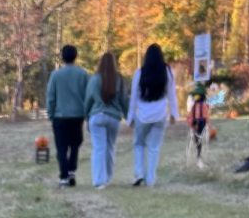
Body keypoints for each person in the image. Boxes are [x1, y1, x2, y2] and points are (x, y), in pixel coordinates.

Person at [126, 43, 179, 186]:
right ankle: (151, 179)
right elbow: (172, 94)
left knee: (139, 144)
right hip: (160, 113)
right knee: (154, 147)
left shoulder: (140, 72)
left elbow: (134, 97)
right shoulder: (167, 71)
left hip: (142, 114)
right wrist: (174, 114)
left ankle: (139, 174)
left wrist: (130, 117)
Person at [83, 52, 129, 188]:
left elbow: (88, 100)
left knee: (98, 148)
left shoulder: (94, 79)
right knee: (110, 148)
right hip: (113, 118)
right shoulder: (119, 79)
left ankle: (99, 181)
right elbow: (124, 100)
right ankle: (108, 177)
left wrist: (86, 117)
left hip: (96, 116)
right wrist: (127, 116)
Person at [45, 44, 89, 187]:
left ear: (62, 57)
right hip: (77, 116)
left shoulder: (56, 75)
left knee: (62, 147)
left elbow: (51, 96)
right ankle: (71, 170)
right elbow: (88, 95)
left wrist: (51, 113)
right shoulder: (82, 74)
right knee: (75, 144)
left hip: (60, 116)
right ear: (76, 56)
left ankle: (64, 176)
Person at [187, 88, 210, 163]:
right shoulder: (194, 105)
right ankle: (198, 152)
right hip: (195, 123)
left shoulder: (203, 105)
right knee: (196, 138)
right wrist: (191, 123)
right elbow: (190, 115)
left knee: (199, 138)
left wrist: (206, 123)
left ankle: (199, 153)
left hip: (201, 123)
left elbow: (206, 115)